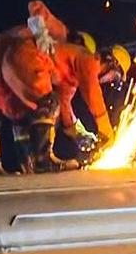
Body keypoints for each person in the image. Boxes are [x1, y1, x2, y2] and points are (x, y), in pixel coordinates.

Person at [0, 0, 71, 174]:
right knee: (47, 102)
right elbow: (35, 6)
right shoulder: (60, 33)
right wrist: (41, 33)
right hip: (11, 57)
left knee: (4, 114)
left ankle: (10, 165)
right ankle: (43, 160)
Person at [53, 32, 128, 162]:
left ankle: (34, 159)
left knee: (52, 105)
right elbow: (93, 95)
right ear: (112, 62)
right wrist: (107, 133)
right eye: (115, 77)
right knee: (48, 105)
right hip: (32, 68)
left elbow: (64, 103)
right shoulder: (88, 62)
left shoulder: (71, 77)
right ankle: (42, 159)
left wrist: (78, 132)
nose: (110, 81)